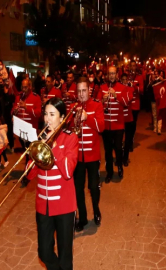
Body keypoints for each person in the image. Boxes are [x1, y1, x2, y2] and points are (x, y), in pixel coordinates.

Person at [27, 97, 78, 270]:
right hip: (43, 205)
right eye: (45, 114)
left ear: (62, 117)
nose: (47, 119)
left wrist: (54, 146)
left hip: (64, 205)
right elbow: (29, 175)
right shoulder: (39, 138)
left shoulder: (70, 139)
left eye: (52, 114)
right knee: (44, 252)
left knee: (65, 256)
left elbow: (67, 171)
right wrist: (34, 151)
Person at [73, 77, 105, 232]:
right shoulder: (73, 107)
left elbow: (101, 127)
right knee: (78, 188)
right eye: (78, 91)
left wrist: (88, 117)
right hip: (77, 156)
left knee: (93, 186)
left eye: (84, 90)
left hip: (92, 155)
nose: (81, 94)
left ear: (89, 90)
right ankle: (83, 218)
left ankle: (96, 210)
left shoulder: (97, 105)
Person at [97, 66, 129, 182]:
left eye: (113, 73)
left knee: (118, 148)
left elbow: (126, 103)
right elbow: (97, 105)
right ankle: (109, 172)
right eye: (109, 73)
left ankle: (119, 166)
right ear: (107, 75)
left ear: (117, 75)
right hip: (106, 126)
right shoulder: (102, 88)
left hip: (118, 125)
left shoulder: (122, 87)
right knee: (108, 150)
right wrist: (102, 101)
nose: (111, 75)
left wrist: (116, 96)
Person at [12, 79, 42, 154]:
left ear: (30, 86)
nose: (24, 89)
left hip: (31, 129)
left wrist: (26, 108)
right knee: (26, 151)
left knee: (31, 152)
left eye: (25, 87)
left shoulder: (36, 97)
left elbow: (38, 114)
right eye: (22, 87)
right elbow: (12, 111)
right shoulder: (18, 97)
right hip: (21, 129)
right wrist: (15, 112)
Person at [128, 60, 144, 147]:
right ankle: (128, 140)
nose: (133, 67)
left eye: (134, 66)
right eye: (131, 66)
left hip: (135, 105)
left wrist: (133, 86)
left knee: (133, 124)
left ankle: (130, 140)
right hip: (128, 104)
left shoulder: (139, 77)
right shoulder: (127, 77)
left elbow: (141, 90)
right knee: (127, 124)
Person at [120, 74, 134, 166]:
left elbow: (126, 101)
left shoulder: (130, 89)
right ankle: (120, 157)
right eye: (123, 79)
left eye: (126, 80)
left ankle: (125, 158)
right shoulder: (118, 89)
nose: (125, 81)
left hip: (128, 118)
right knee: (119, 140)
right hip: (120, 118)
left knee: (128, 140)